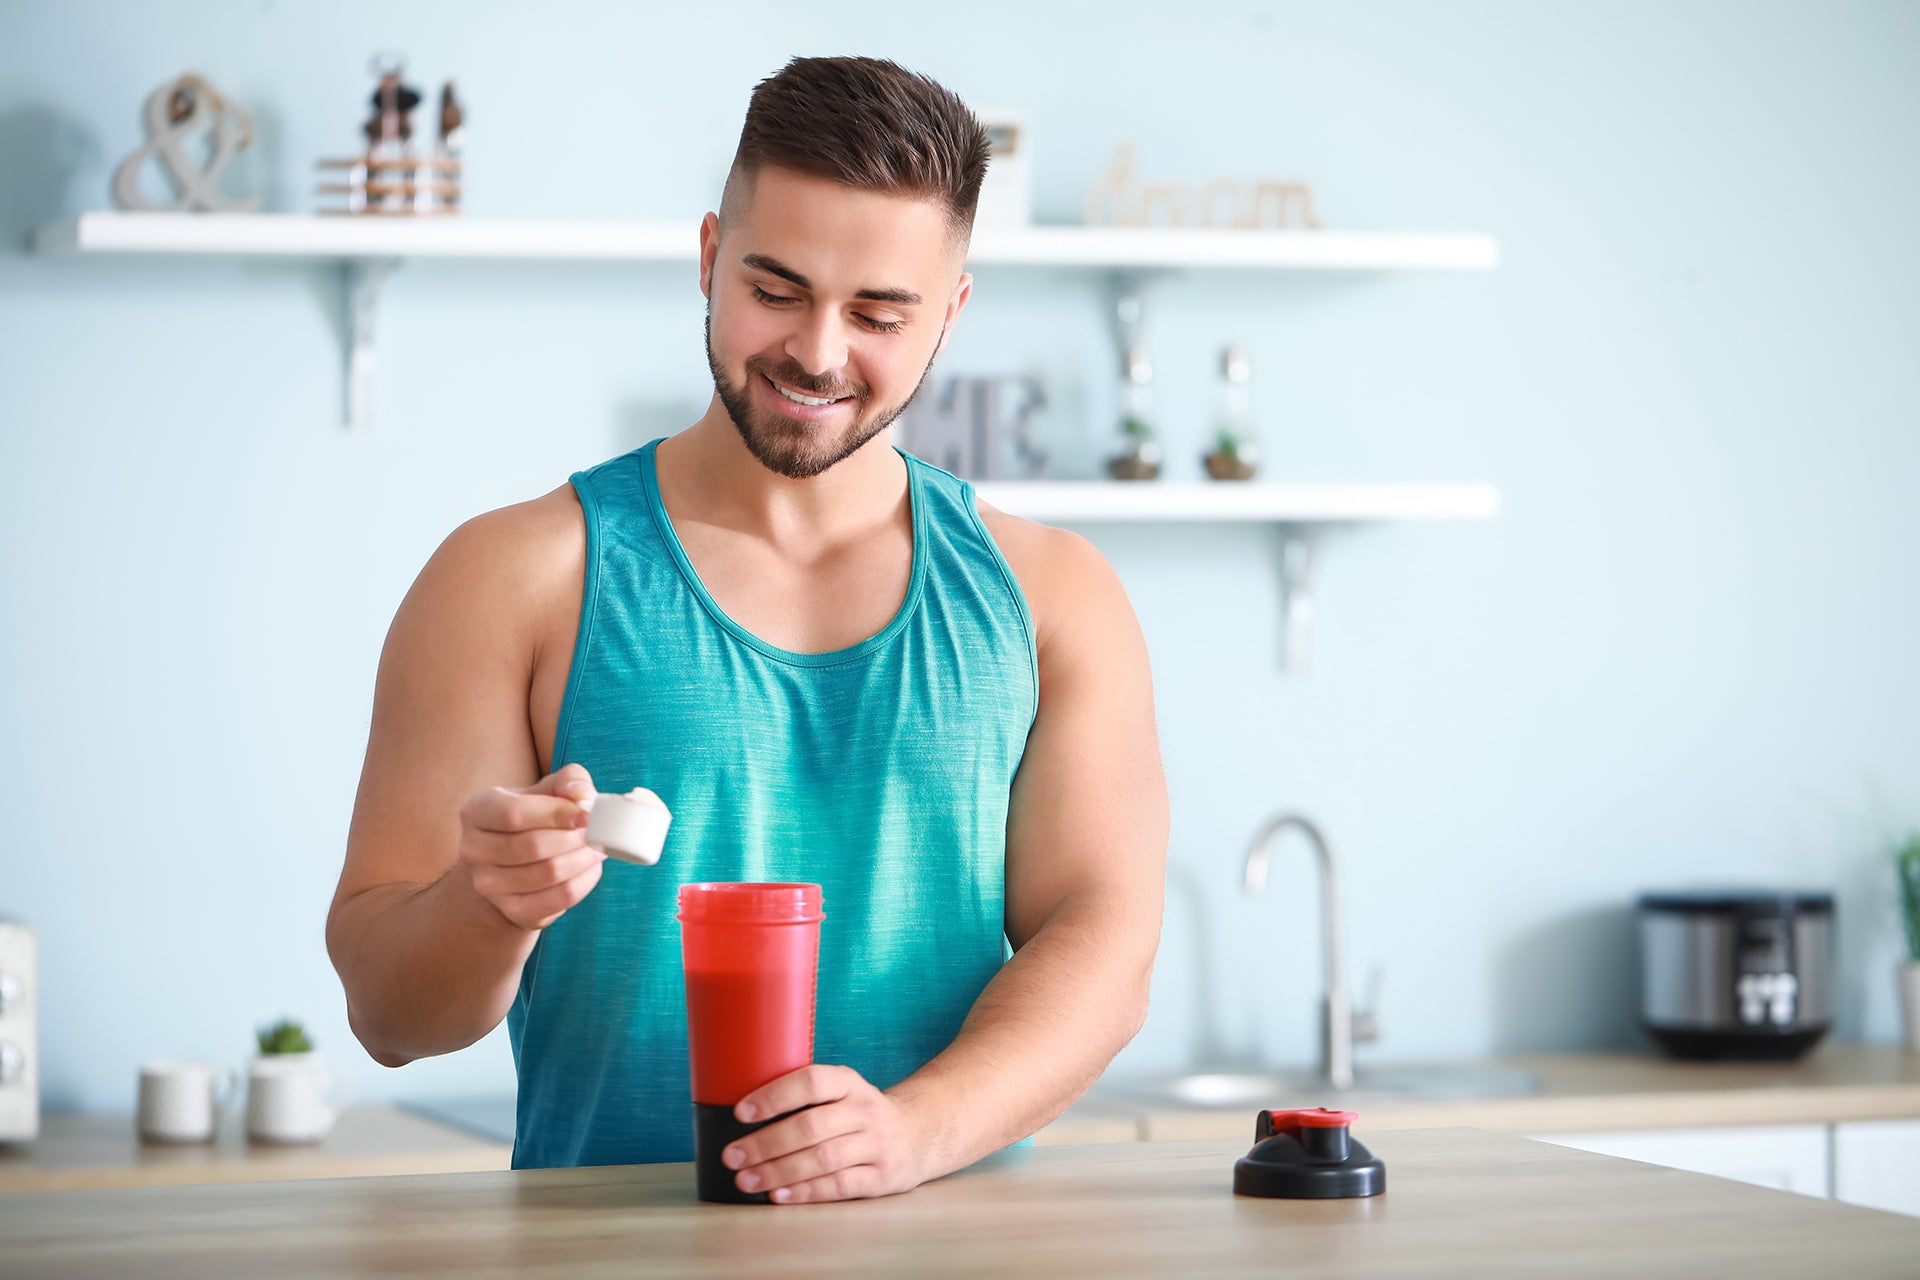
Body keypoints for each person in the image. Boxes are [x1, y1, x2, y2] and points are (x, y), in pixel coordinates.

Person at [326, 55, 1168, 1205]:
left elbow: (1106, 942)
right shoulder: (514, 577)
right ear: (711, 254)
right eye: (776, 289)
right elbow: (387, 1014)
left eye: (879, 313)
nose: (818, 352)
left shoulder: (1054, 597)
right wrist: (486, 902)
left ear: (951, 313)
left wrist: (911, 1131)